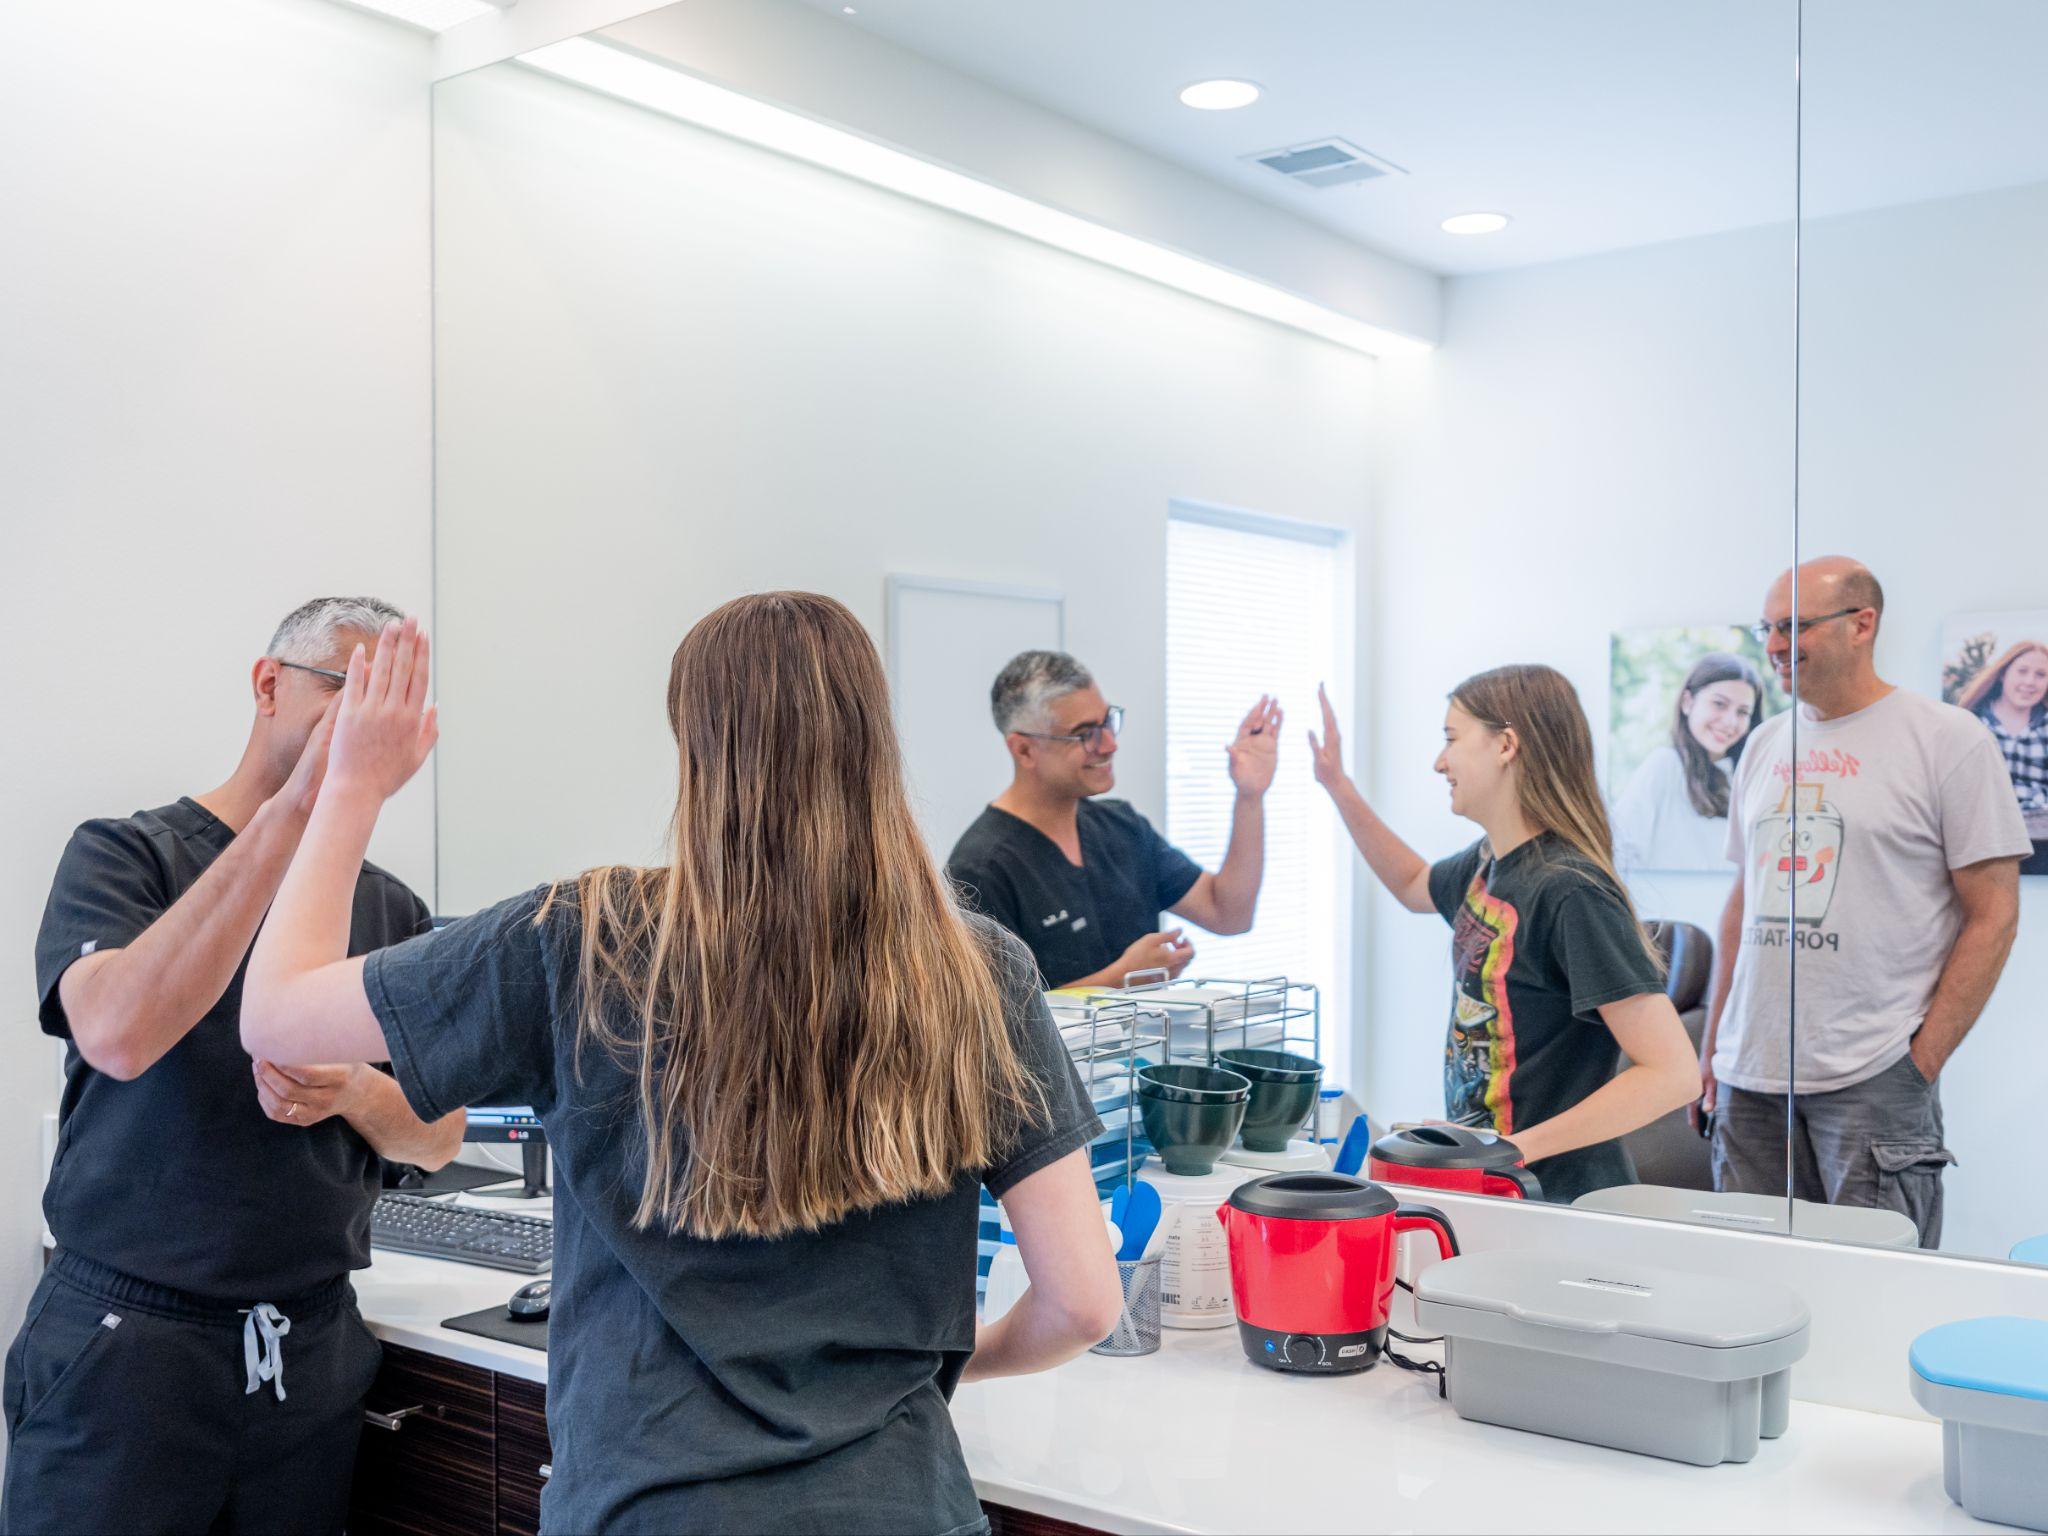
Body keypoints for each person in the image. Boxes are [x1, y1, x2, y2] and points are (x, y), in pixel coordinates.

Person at [240, 599, 1123, 1535]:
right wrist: (939, 1362)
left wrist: (349, 787)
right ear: (874, 735)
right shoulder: (976, 968)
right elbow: (1081, 1302)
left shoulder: (585, 940)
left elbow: (276, 1017)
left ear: (694, 745)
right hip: (905, 1508)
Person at [4, 597, 463, 1536]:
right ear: (268, 685)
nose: (371, 729)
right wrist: (306, 807)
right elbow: (117, 1034)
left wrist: (352, 1089)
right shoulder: (126, 855)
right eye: (354, 694)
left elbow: (439, 1137)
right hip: (129, 1348)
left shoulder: (393, 911)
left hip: (311, 1350)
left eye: (393, 707)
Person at [1697, 558, 2027, 1246]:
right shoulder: (1763, 745)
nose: (1775, 646)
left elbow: (1994, 913)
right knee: (1750, 1284)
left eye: (1795, 627)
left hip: (1873, 1075)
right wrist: (1712, 1047)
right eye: (1767, 628)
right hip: (1747, 1077)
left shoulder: (1946, 739)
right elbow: (1742, 902)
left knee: (1874, 1288)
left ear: (1862, 624)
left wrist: (1919, 1064)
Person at [1307, 667, 1698, 1205]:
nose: (1439, 762)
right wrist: (1337, 785)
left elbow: (1673, 1073)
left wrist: (1509, 1150)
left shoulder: (1570, 890)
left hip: (1560, 1200)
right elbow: (1413, 884)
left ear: (1506, 746)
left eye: (1451, 739)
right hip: (1499, 1189)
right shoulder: (1487, 863)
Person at [946, 650, 1281, 989]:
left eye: (1107, 722)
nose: (1109, 744)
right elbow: (992, 1013)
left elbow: (1229, 914)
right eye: (1085, 733)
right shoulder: (980, 869)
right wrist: (1120, 979)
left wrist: (1249, 797)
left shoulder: (1122, 826)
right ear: (1024, 750)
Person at [1612, 652, 1764, 872]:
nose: (1730, 722)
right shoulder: (1665, 766)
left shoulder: (1746, 781)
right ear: (1687, 702)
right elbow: (1621, 850)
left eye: (1742, 712)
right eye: (1719, 704)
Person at [1956, 638, 2048, 830]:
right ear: (2003, 674)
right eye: (2022, 671)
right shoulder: (1970, 723)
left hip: (2042, 835)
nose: (2029, 681)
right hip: (1985, 831)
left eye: (2040, 674)